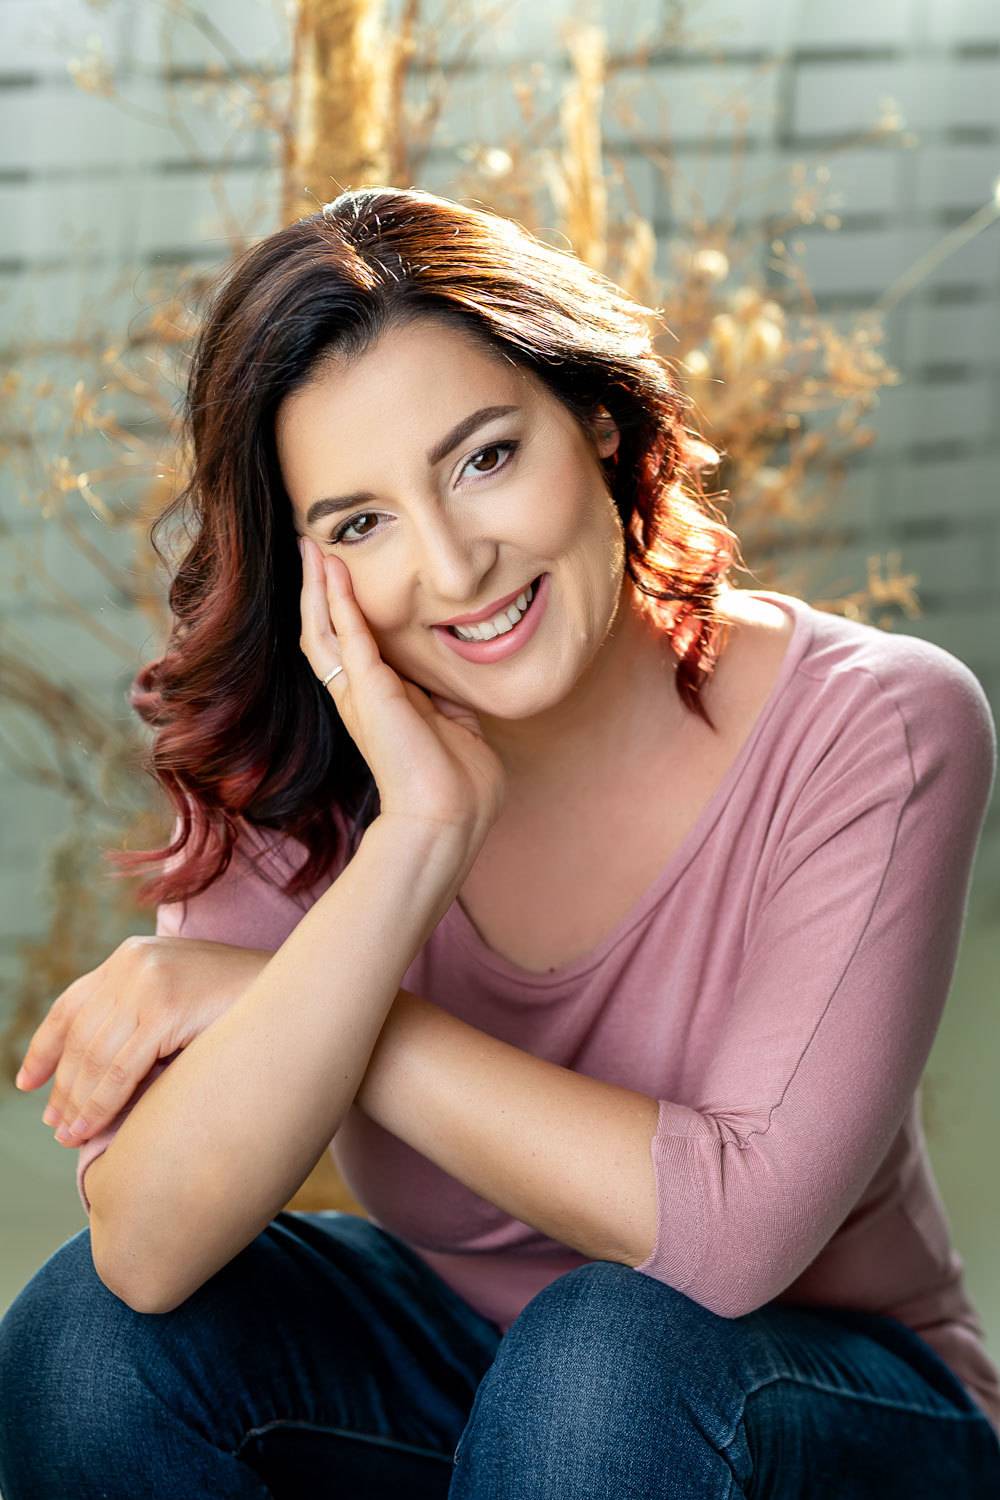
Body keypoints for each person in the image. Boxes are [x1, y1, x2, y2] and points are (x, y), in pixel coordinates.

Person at [1, 184, 999, 1499]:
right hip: (475, 1393)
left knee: (600, 1366)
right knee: (87, 1348)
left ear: (595, 418)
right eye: (360, 524)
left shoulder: (875, 723)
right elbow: (148, 1251)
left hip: (818, 1414)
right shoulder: (305, 760)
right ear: (306, 568)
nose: (456, 566)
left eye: (484, 458)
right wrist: (418, 836)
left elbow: (732, 1236)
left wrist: (296, 1004)